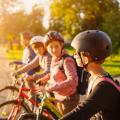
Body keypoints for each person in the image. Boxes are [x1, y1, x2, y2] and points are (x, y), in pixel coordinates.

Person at [60, 30, 120, 120]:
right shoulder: (93, 77)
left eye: (76, 53)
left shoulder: (104, 87)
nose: (74, 55)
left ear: (86, 57)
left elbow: (80, 113)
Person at [36, 31, 80, 114]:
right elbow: (53, 73)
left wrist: (48, 88)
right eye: (50, 47)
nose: (54, 49)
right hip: (58, 97)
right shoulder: (55, 59)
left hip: (69, 99)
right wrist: (43, 80)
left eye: (56, 46)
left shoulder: (67, 60)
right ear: (47, 48)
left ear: (61, 45)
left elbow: (73, 81)